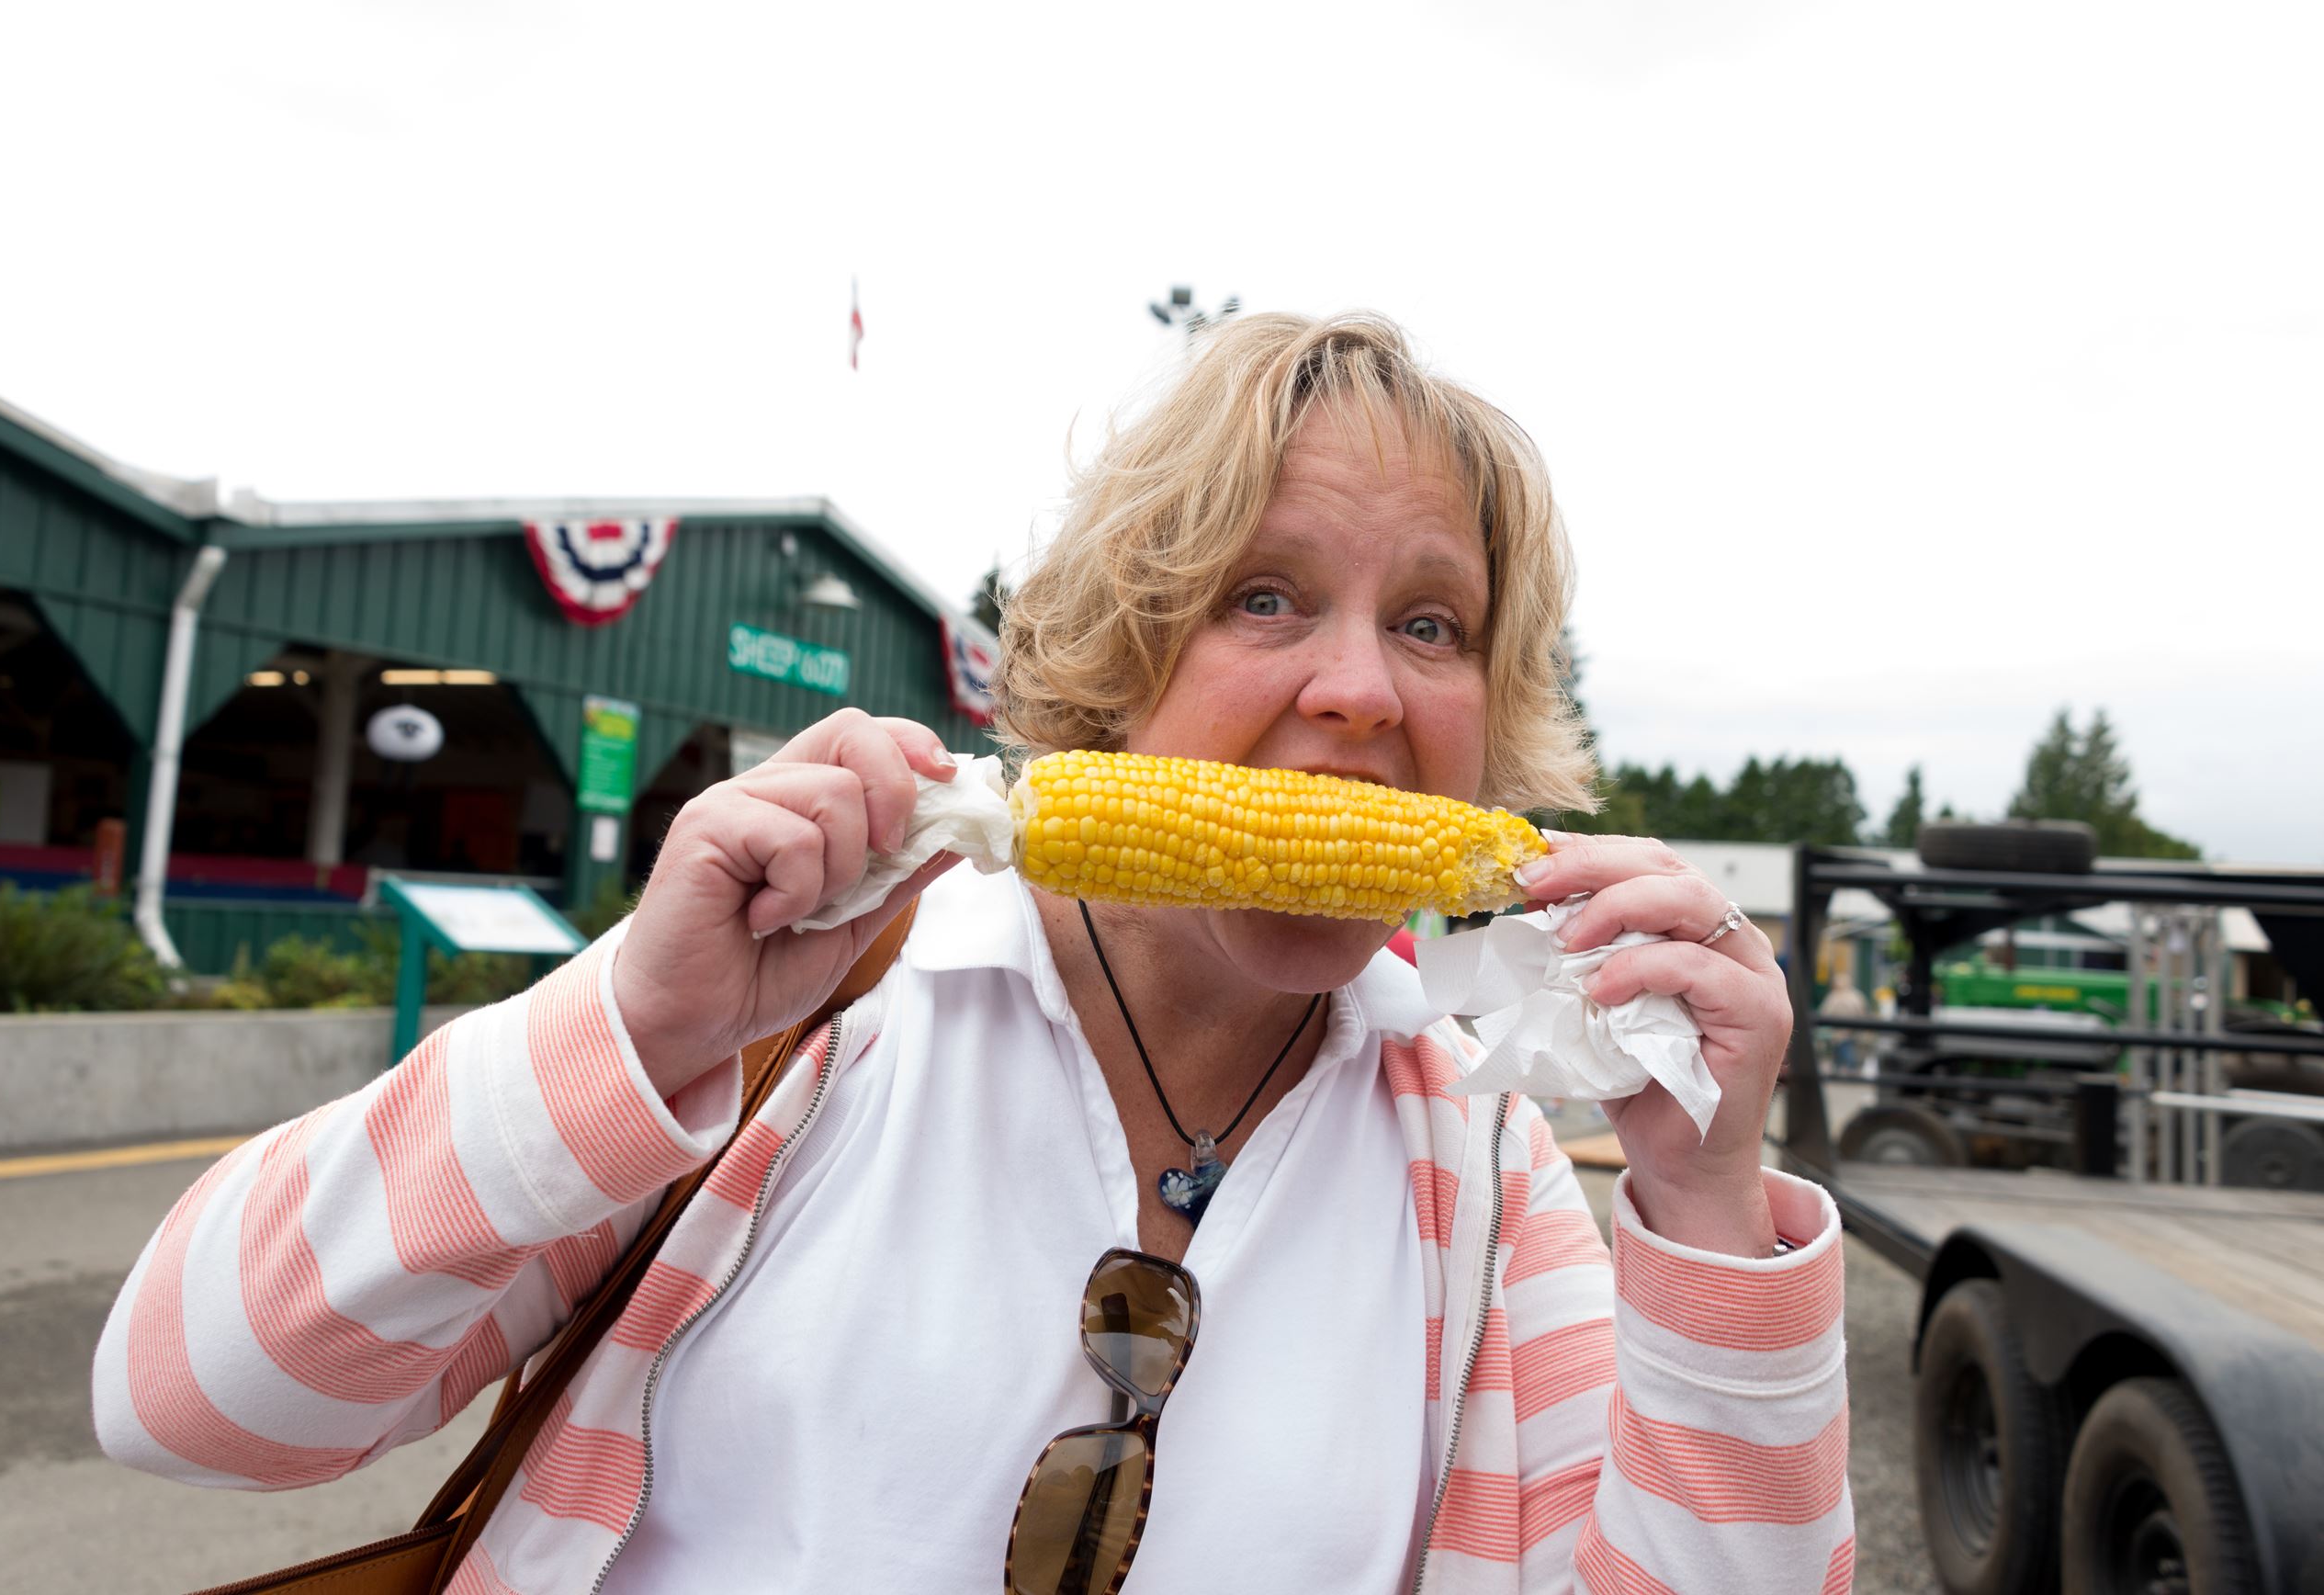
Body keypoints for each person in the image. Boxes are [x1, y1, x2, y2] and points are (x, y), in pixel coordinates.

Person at [95, 313, 1853, 1593]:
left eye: (1431, 624)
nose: (1361, 690)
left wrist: (1711, 1216)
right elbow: (188, 1403)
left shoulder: (1481, 1167)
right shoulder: (818, 1026)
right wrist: (633, 1020)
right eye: (1264, 595)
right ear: (1118, 652)